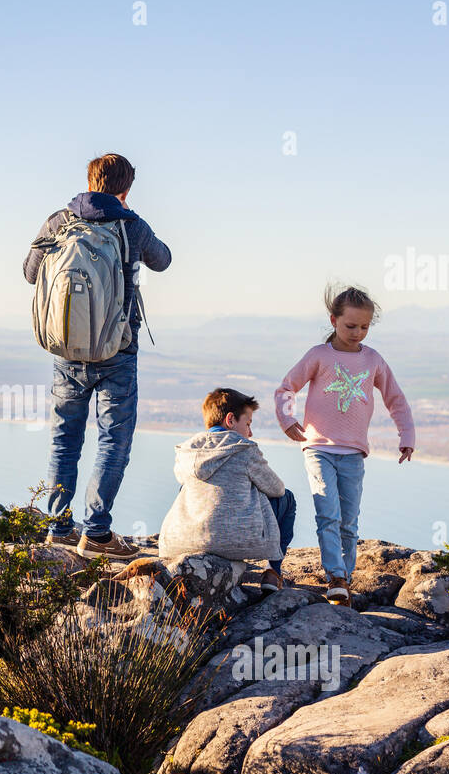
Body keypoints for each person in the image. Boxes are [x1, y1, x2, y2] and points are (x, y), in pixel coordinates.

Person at [23, 153, 172, 560]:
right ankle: (98, 533)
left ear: (88, 182)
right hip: (118, 349)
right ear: (125, 188)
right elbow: (163, 260)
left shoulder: (59, 221)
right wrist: (129, 217)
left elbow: (30, 272)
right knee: (113, 441)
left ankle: (58, 527)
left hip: (67, 351)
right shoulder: (131, 224)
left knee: (64, 439)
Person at [275, 283, 415, 605]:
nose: (357, 333)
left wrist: (406, 436)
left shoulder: (373, 360)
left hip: (353, 452)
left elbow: (396, 399)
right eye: (351, 326)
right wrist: (288, 420)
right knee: (328, 513)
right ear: (334, 319)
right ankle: (335, 577)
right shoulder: (319, 355)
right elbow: (286, 388)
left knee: (349, 521)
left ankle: (345, 580)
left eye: (364, 327)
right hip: (318, 448)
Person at [158, 388, 296, 592]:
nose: (250, 433)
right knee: (288, 498)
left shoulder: (187, 451)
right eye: (248, 424)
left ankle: (190, 538)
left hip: (181, 542)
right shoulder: (245, 449)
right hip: (235, 540)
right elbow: (277, 489)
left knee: (185, 487)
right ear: (230, 420)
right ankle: (272, 572)